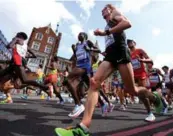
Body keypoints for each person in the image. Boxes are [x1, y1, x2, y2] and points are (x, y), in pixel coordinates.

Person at [54, 4, 162, 135]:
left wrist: (105, 32)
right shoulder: (107, 24)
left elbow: (128, 24)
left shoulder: (115, 14)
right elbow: (110, 40)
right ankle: (83, 128)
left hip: (121, 52)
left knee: (131, 89)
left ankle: (154, 97)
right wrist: (104, 49)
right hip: (110, 54)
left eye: (105, 8)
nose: (102, 10)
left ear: (110, 9)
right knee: (94, 83)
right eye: (102, 9)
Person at [66, 32, 101, 118]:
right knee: (91, 87)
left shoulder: (88, 42)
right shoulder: (77, 45)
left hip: (85, 65)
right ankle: (103, 103)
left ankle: (79, 105)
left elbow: (98, 50)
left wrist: (89, 49)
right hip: (79, 65)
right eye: (78, 34)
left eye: (80, 34)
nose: (78, 35)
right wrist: (73, 50)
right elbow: (75, 56)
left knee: (67, 80)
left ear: (85, 36)